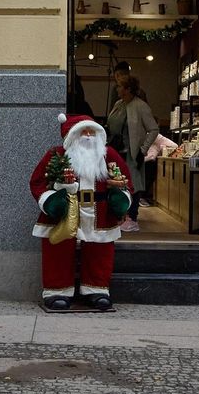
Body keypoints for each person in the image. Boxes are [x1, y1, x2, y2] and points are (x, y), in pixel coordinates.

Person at [30, 114, 134, 310]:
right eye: (82, 132)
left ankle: (96, 290)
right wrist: (50, 200)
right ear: (72, 136)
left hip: (100, 212)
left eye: (91, 131)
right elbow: (38, 182)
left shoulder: (109, 155)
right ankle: (57, 291)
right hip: (65, 210)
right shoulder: (57, 155)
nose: (87, 136)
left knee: (100, 251)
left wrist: (121, 198)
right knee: (58, 250)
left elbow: (126, 180)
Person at [107, 75, 159, 232]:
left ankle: (133, 217)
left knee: (134, 184)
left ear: (128, 89)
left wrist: (143, 149)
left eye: (119, 86)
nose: (117, 89)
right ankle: (119, 215)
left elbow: (153, 129)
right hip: (117, 150)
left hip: (133, 152)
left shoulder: (141, 106)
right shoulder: (118, 104)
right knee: (116, 181)